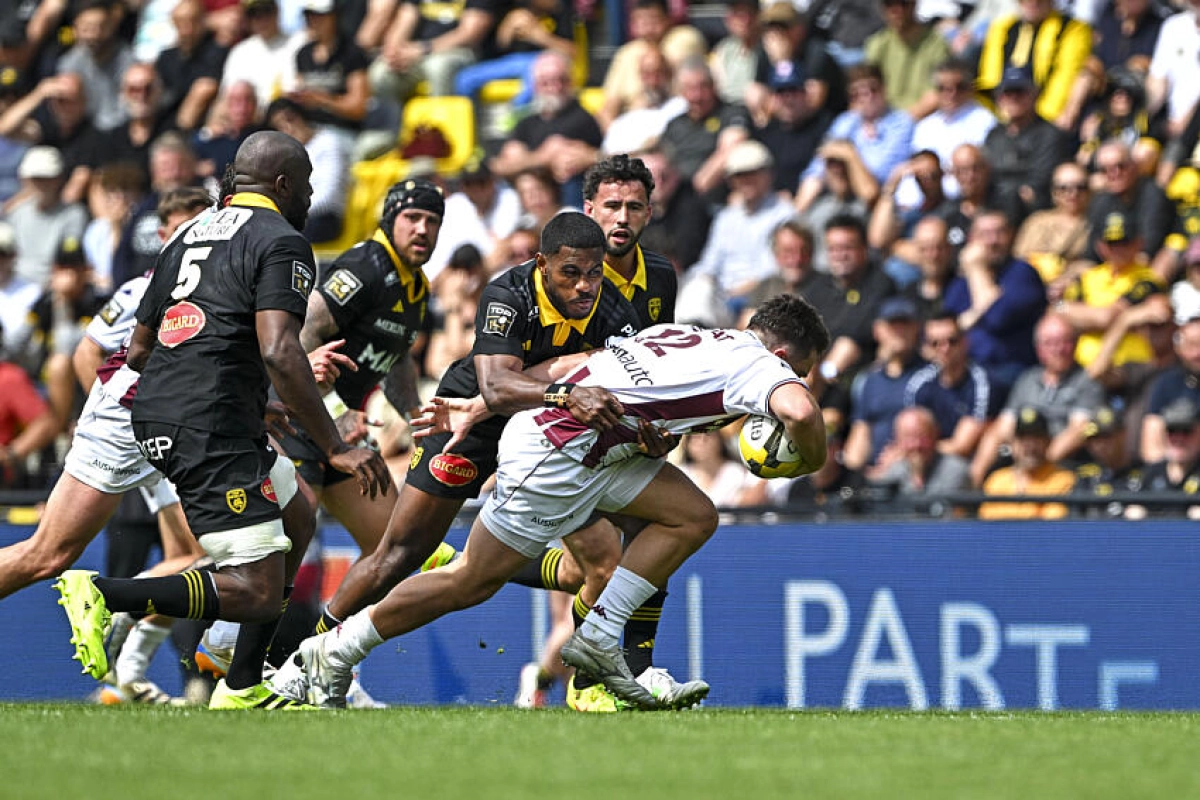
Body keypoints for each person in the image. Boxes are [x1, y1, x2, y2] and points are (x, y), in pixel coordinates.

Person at [270, 294, 830, 709]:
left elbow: (570, 366)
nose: (792, 381)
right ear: (783, 354)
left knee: (693, 515)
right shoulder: (763, 367)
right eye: (797, 371)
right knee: (472, 578)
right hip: (557, 454)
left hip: (593, 451)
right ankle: (334, 649)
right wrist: (809, 455)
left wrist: (479, 408)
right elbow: (801, 414)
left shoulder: (697, 335)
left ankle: (599, 636)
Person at [54, 131, 391, 710]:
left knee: (298, 519)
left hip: (183, 408)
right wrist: (333, 445)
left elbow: (139, 349)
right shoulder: (282, 241)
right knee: (257, 591)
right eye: (307, 184)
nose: (311, 197)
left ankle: (242, 686)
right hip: (206, 423)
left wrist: (240, 393)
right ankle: (106, 594)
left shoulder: (187, 235)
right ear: (283, 185)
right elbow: (281, 351)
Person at [305, 212, 642, 704]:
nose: (585, 285)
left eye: (594, 272)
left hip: (550, 434)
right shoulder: (509, 294)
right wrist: (568, 392)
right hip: (470, 422)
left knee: (598, 566)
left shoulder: (616, 309)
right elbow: (496, 386)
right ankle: (308, 655)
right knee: (401, 553)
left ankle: (587, 689)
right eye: (571, 273)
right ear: (542, 264)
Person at [978, 406, 1076, 520]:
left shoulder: (1062, 479)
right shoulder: (996, 480)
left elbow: (1051, 525)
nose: (1030, 446)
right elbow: (987, 524)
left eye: (1037, 438)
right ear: (1012, 443)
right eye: (1023, 439)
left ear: (1048, 441)